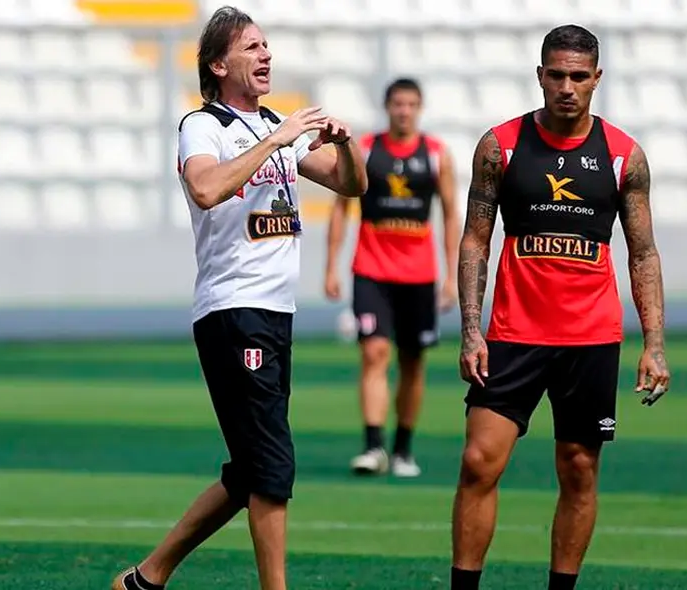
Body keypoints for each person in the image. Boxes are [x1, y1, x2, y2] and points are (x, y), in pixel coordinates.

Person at [111, 6, 366, 590]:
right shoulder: (203, 125)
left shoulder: (275, 125)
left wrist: (344, 146)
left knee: (252, 467)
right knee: (272, 465)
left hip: (275, 314)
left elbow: (353, 185)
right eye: (252, 47)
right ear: (219, 64)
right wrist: (278, 138)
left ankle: (146, 579)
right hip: (233, 310)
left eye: (266, 45)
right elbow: (204, 188)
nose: (266, 55)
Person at [449, 25, 671, 590]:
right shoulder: (501, 146)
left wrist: (654, 345)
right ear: (540, 75)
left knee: (578, 471)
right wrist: (472, 330)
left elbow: (642, 254)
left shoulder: (624, 156)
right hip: (513, 333)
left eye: (579, 76)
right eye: (556, 75)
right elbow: (476, 239)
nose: (566, 87)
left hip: (590, 338)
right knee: (479, 462)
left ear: (597, 79)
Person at [324, 77, 460, 478]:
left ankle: (403, 448)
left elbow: (452, 214)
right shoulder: (365, 149)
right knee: (374, 353)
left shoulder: (436, 155)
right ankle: (372, 447)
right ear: (387, 107)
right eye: (398, 103)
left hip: (419, 275)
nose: (404, 111)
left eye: (411, 104)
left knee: (413, 362)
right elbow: (340, 207)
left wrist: (451, 276)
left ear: (419, 108)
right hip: (372, 269)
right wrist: (331, 265)